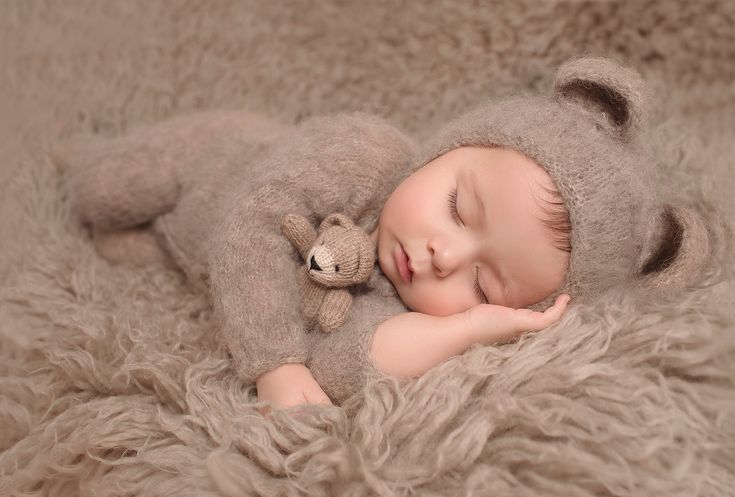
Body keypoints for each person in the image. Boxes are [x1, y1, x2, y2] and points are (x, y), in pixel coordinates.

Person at [55, 57, 709, 411]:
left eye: (481, 281)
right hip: (201, 160)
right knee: (103, 194)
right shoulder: (364, 153)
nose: (440, 255)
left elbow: (346, 365)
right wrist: (276, 365)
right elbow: (249, 224)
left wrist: (468, 329)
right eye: (457, 206)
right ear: (447, 150)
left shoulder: (402, 297)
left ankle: (157, 243)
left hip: (194, 235)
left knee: (138, 247)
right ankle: (86, 150)